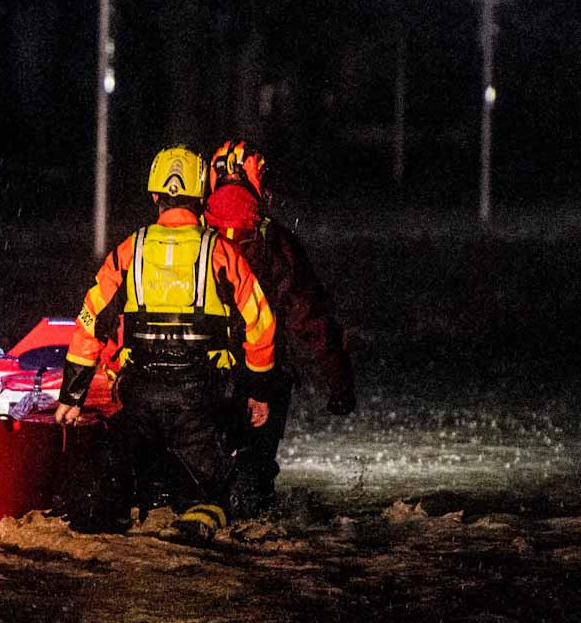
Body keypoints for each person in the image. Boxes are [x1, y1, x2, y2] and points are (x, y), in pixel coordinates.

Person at [53, 146, 277, 542]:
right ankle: (199, 517)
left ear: (155, 195)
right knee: (215, 496)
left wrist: (72, 395)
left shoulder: (128, 251)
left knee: (106, 494)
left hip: (139, 397)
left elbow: (90, 321)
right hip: (201, 400)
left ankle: (113, 508)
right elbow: (260, 325)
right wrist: (258, 392)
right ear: (201, 196)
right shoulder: (221, 252)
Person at [203, 139, 357, 518]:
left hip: (199, 372)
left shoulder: (191, 239)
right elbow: (309, 317)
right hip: (265, 375)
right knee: (255, 475)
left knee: (202, 468)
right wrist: (339, 382)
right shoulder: (277, 242)